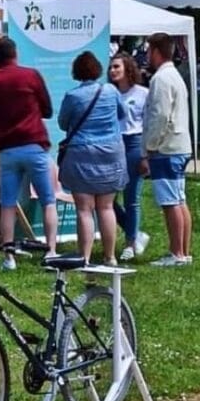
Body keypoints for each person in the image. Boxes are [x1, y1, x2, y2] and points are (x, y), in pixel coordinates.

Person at [0, 36, 57, 269]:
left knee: (8, 203)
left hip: (8, 148)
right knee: (48, 200)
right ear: (15, 54)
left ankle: (9, 256)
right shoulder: (30, 75)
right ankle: (51, 251)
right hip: (34, 143)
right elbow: (47, 109)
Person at [57, 51, 127, 266]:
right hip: (111, 153)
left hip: (81, 154)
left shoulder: (72, 96)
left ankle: (84, 258)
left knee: (84, 209)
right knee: (106, 207)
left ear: (76, 72)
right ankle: (110, 256)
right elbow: (122, 113)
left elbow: (62, 123)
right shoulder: (110, 91)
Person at [140, 32, 193, 267]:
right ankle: (183, 251)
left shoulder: (160, 79)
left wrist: (150, 146)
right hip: (180, 145)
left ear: (156, 52)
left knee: (170, 202)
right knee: (179, 200)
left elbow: (160, 116)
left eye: (149, 51)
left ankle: (176, 253)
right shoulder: (175, 76)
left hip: (167, 148)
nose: (147, 56)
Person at [108, 52, 150, 261]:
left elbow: (148, 124)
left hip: (134, 143)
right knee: (107, 199)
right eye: (111, 68)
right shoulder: (109, 93)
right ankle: (135, 232)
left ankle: (130, 243)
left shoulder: (142, 93)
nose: (113, 71)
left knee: (132, 197)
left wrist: (146, 155)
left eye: (117, 67)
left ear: (128, 69)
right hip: (114, 145)